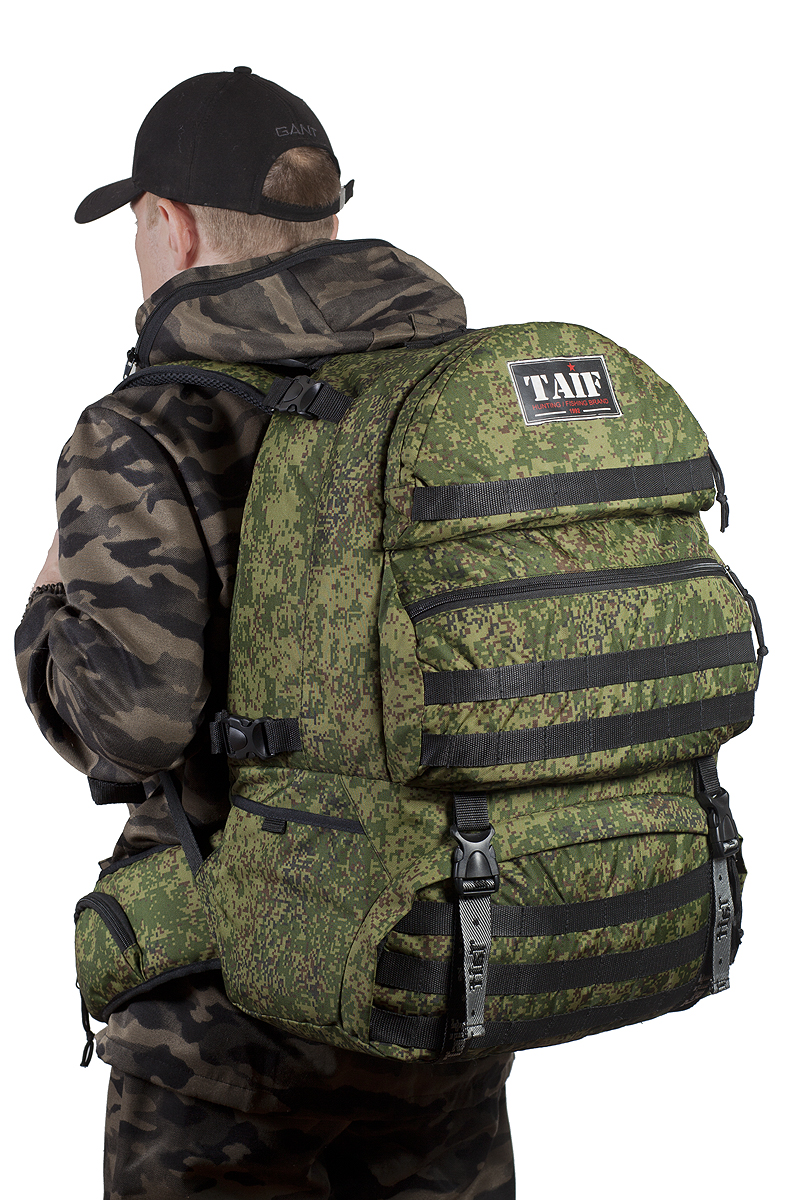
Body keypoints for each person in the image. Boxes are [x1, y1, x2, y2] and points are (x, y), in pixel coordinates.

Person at [15, 68, 515, 1199]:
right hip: (439, 971)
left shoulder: (145, 424)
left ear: (171, 225)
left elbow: (132, 729)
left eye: (140, 228)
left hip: (224, 1029)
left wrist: (46, 613)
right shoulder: (443, 389)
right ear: (326, 221)